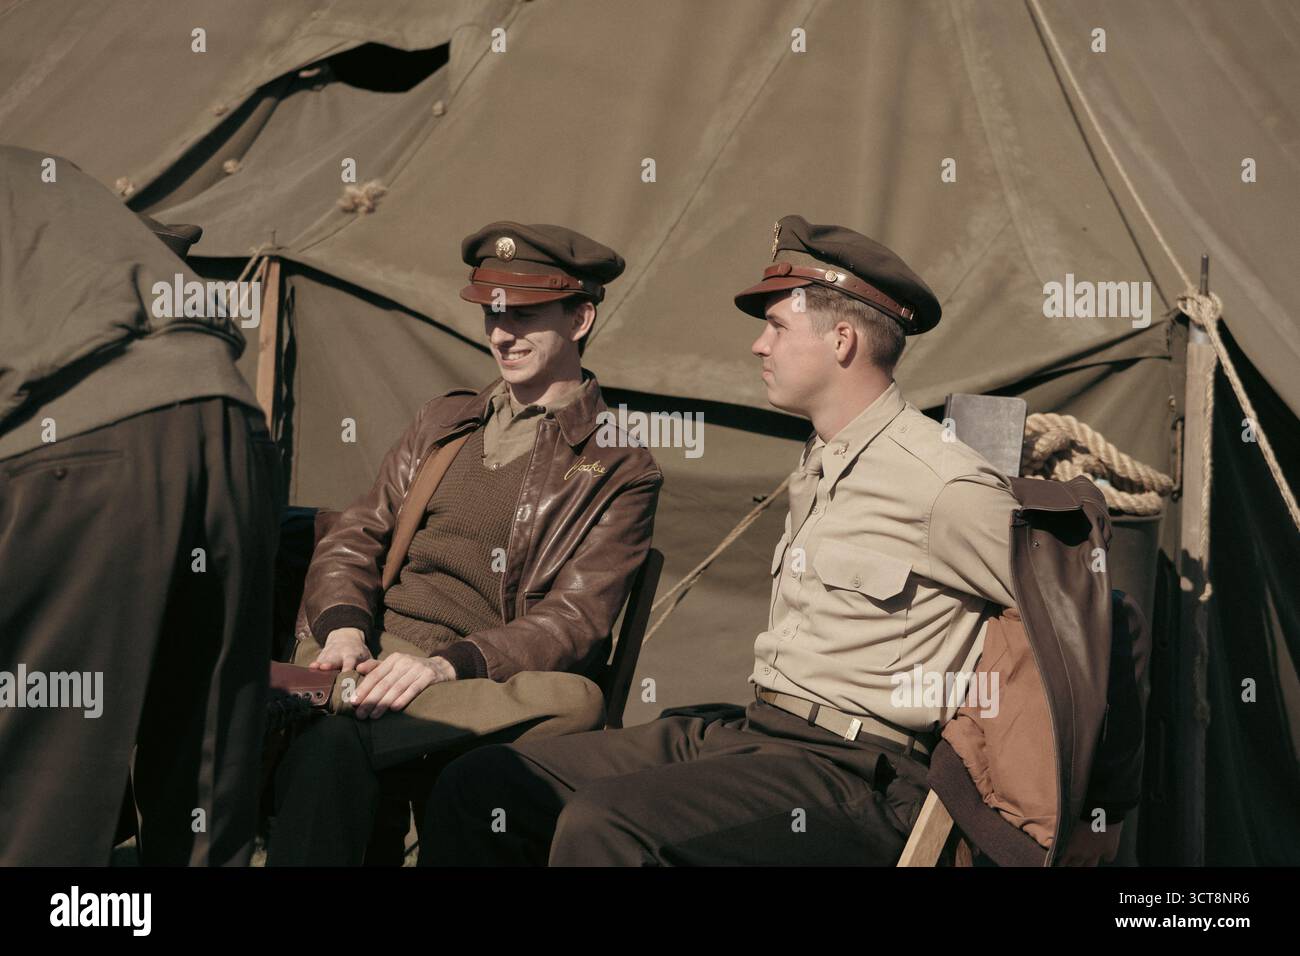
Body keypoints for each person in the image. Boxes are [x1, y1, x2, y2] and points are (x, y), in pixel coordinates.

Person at [421, 214, 1022, 866]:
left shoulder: (943, 481)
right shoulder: (823, 460)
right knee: (486, 783)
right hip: (758, 732)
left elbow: (1079, 625)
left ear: (842, 340)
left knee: (608, 827)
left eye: (778, 327)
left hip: (856, 769)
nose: (759, 346)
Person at [266, 222, 662, 865]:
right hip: (369, 650)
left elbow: (576, 621)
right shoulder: (442, 421)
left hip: (474, 677)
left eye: (526, 316)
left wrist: (445, 664)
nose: (503, 335)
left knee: (575, 699)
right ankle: (334, 696)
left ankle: (318, 704)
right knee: (331, 747)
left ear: (581, 317)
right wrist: (341, 630)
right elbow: (355, 535)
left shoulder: (619, 464)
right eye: (493, 314)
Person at [0, 146, 280, 865]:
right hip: (229, 420)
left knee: (38, 801)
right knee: (203, 794)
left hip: (82, 450)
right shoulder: (39, 170)